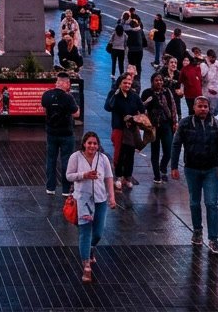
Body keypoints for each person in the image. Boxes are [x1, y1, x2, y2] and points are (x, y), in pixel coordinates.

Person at [170, 96, 218, 254]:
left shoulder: (216, 124)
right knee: (194, 202)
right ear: (194, 108)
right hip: (192, 169)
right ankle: (197, 231)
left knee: (211, 203)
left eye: (205, 106)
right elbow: (176, 144)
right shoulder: (185, 123)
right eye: (200, 106)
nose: (203, 109)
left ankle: (213, 239)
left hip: (212, 169)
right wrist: (174, 166)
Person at [66, 131, 116, 284]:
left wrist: (112, 197)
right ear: (84, 144)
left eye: (95, 143)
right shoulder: (75, 157)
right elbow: (69, 175)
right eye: (89, 143)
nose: (92, 146)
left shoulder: (103, 158)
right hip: (83, 201)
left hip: (100, 200)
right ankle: (86, 265)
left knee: (99, 232)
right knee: (85, 233)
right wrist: (83, 175)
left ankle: (90, 248)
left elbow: (108, 178)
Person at [104, 71, 146, 191]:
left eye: (129, 83)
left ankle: (127, 177)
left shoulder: (133, 95)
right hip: (119, 128)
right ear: (120, 83)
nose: (127, 85)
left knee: (130, 154)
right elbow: (107, 107)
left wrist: (138, 118)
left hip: (131, 129)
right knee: (119, 153)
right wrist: (115, 95)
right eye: (125, 83)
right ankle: (118, 176)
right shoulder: (114, 93)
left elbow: (142, 108)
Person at [41, 73, 81, 195]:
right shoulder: (68, 98)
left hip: (51, 132)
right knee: (66, 161)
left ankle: (50, 188)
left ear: (57, 82)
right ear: (64, 83)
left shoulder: (46, 95)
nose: (69, 85)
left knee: (51, 160)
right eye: (68, 83)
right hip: (66, 134)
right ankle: (66, 189)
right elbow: (76, 114)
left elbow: (44, 110)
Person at [141, 72, 179, 185]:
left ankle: (163, 166)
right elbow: (142, 107)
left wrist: (175, 121)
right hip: (153, 127)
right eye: (157, 80)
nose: (159, 82)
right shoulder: (147, 93)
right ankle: (156, 175)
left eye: (161, 80)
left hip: (166, 125)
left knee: (169, 150)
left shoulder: (167, 92)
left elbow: (173, 106)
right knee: (155, 152)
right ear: (152, 81)